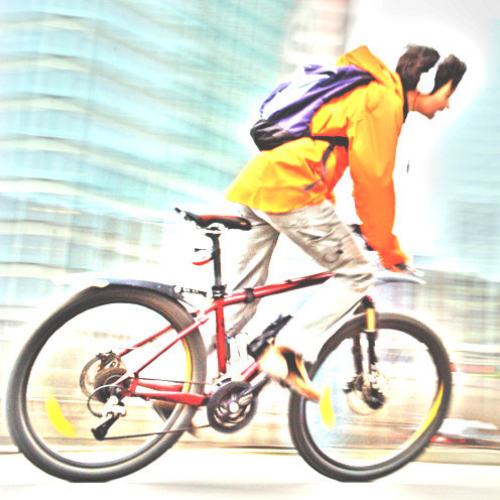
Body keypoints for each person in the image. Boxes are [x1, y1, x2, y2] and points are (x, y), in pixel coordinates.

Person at [224, 44, 467, 401]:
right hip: (292, 189)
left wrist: (343, 220)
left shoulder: (366, 90)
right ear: (426, 85)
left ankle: (182, 385)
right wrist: (388, 250)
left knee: (240, 298)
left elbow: (322, 149)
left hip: (260, 183)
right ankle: (288, 351)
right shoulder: (384, 101)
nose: (446, 105)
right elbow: (373, 183)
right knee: (357, 274)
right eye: (447, 95)